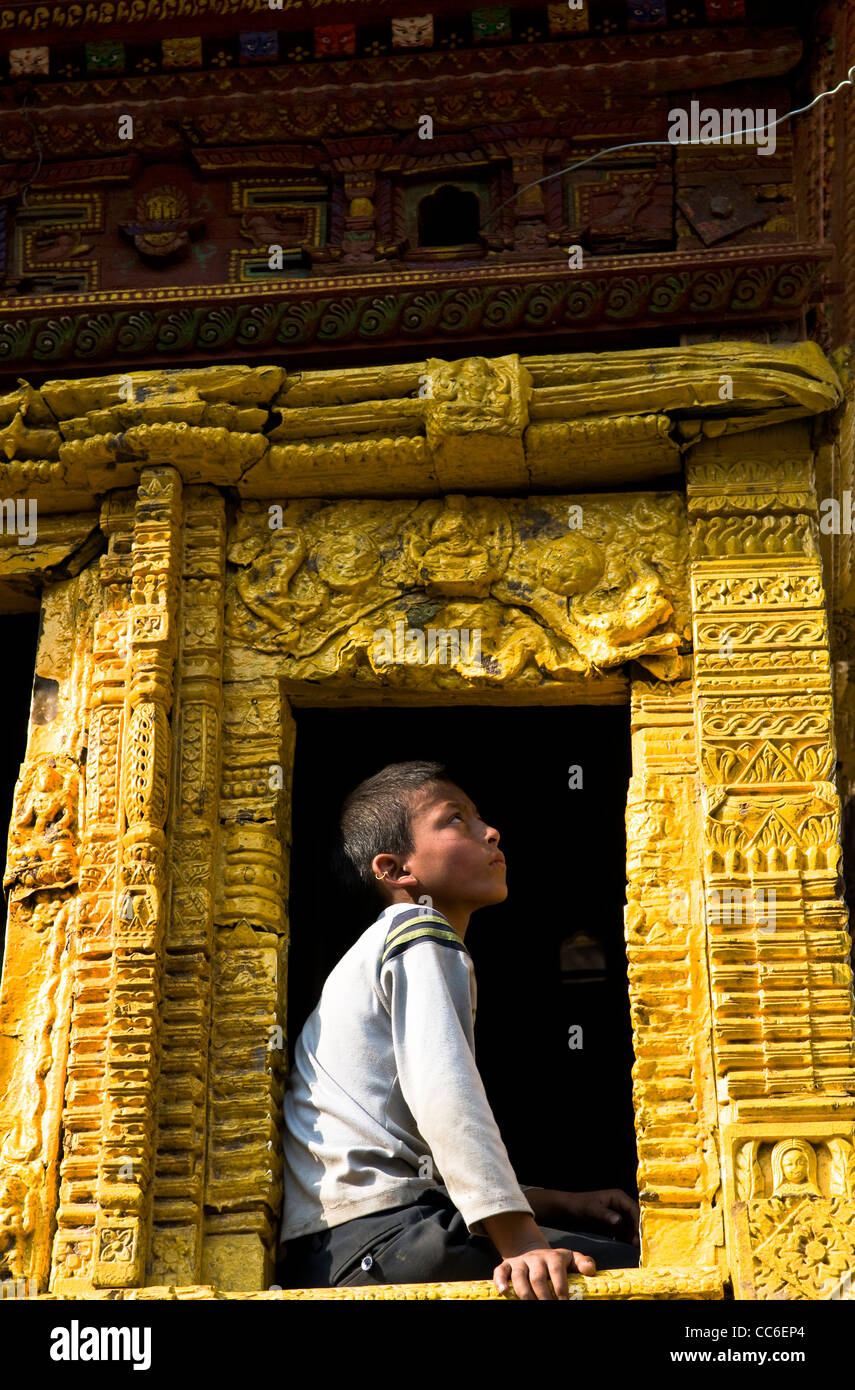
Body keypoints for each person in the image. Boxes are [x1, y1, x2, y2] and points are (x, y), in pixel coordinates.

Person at [276, 760, 639, 1300]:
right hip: (385, 1237)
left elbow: (430, 1163)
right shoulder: (418, 930)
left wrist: (562, 1203)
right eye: (455, 820)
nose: (489, 831)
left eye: (479, 818)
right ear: (396, 870)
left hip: (340, 1251)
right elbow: (444, 1090)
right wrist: (521, 1243)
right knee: (636, 1270)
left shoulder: (385, 947)